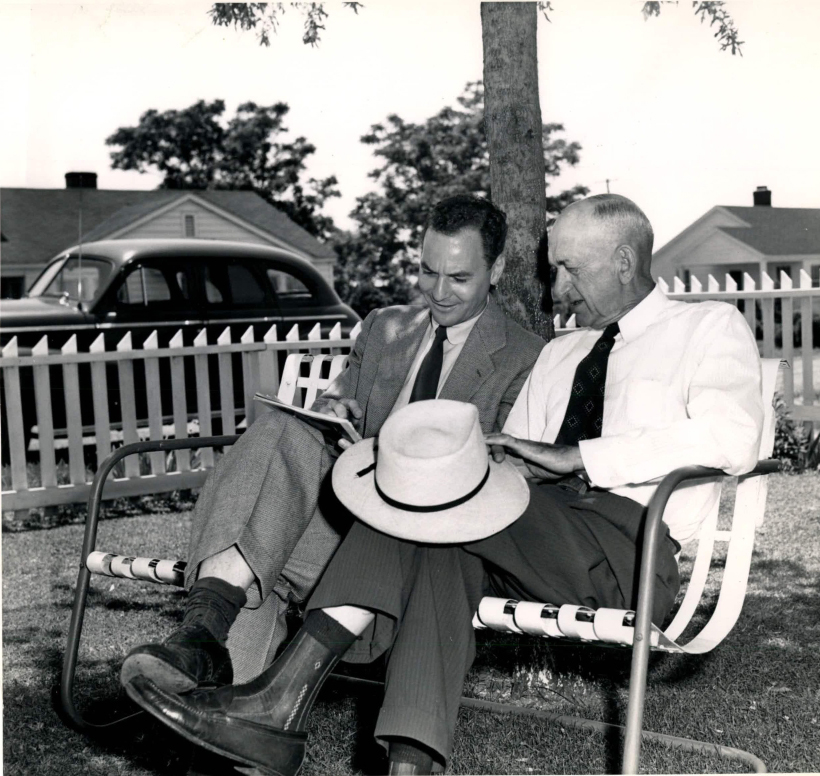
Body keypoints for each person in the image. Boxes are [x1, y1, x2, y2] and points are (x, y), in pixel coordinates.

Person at [126, 194, 765, 776]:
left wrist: (577, 456)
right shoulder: (561, 354)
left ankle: (278, 698)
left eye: (570, 268)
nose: (557, 288)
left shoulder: (706, 328)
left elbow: (735, 437)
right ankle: (410, 765)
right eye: (555, 269)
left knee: (433, 505)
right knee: (438, 523)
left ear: (625, 260)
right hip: (525, 537)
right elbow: (506, 461)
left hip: (630, 544)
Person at [120, 194, 545, 693]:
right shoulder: (387, 328)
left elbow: (499, 477)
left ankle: (216, 693)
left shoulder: (525, 357)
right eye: (428, 273)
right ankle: (204, 639)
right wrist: (332, 412)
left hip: (420, 550)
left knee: (265, 552)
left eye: (459, 278)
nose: (439, 292)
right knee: (281, 431)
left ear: (495, 271)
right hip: (343, 522)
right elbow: (337, 401)